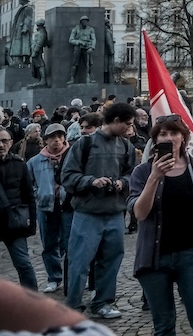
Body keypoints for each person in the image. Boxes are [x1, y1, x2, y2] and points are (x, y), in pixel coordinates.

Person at [129, 114, 193, 336]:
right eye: (163, 134)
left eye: (174, 132)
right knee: (164, 325)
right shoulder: (142, 172)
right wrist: (154, 177)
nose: (169, 137)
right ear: (155, 140)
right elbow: (139, 213)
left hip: (191, 255)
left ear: (183, 137)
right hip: (154, 258)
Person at [61, 102, 137, 318]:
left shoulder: (126, 147)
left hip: (115, 213)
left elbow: (133, 174)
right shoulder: (84, 144)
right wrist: (91, 181)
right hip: (87, 214)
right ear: (116, 121)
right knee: (79, 262)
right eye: (127, 124)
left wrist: (123, 182)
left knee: (111, 261)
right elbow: (67, 176)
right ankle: (73, 306)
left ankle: (102, 302)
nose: (130, 128)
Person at [28, 123, 72, 293]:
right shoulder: (35, 161)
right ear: (45, 140)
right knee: (49, 243)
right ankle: (54, 277)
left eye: (60, 137)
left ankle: (71, 277)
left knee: (70, 243)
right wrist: (39, 194)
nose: (57, 140)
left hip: (68, 205)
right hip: (46, 206)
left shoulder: (71, 156)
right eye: (52, 137)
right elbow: (29, 183)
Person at [0, 127, 38, 290]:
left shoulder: (19, 164)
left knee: (23, 264)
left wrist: (32, 225)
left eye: (4, 141)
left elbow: (29, 196)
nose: (0, 145)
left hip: (13, 223)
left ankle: (32, 300)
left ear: (10, 142)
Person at [68, 17, 97, 84]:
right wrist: (79, 42)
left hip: (87, 47)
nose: (85, 23)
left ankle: (91, 78)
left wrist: (92, 47)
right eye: (84, 21)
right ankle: (72, 78)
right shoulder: (76, 29)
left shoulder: (90, 29)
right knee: (75, 63)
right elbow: (71, 40)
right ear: (81, 22)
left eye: (86, 21)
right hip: (78, 47)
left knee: (89, 63)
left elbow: (93, 39)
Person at [7, 0, 34, 66]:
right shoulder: (23, 8)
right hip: (18, 30)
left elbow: (28, 18)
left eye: (20, 0)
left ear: (24, 0)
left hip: (22, 30)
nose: (19, 1)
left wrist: (25, 28)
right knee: (19, 46)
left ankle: (25, 60)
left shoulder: (28, 8)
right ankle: (20, 60)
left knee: (24, 46)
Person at [30, 19, 50, 85]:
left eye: (38, 25)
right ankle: (40, 80)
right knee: (37, 66)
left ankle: (43, 80)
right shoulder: (40, 32)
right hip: (35, 51)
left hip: (37, 52)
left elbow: (39, 43)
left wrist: (35, 51)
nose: (37, 27)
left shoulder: (42, 33)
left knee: (40, 65)